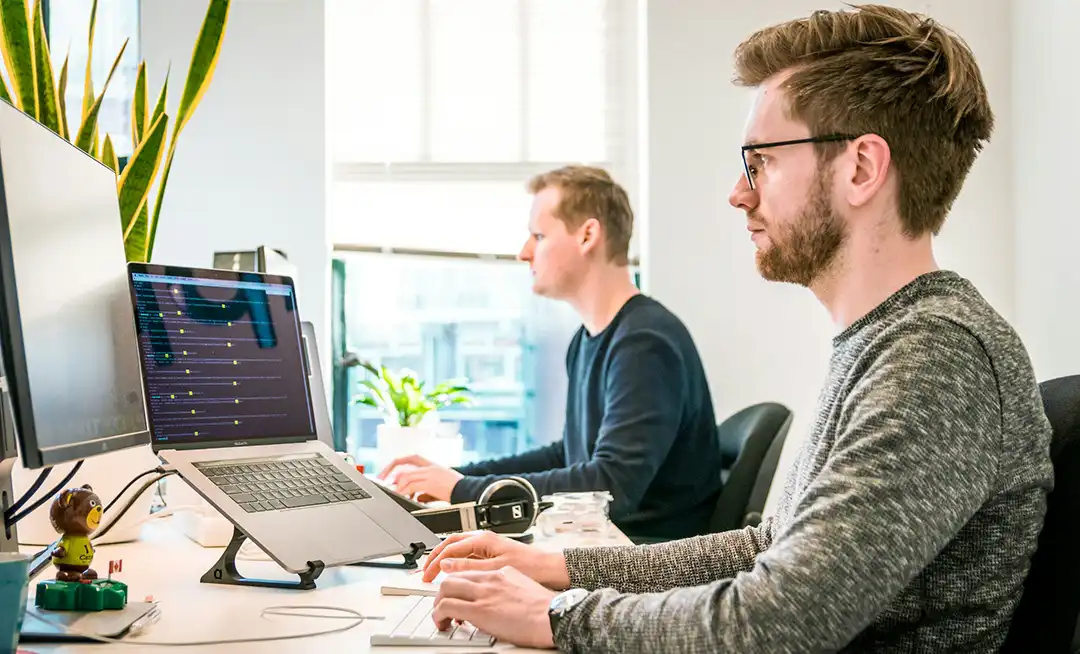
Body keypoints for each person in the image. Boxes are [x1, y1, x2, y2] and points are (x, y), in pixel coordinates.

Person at [414, 5, 1055, 652]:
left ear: (861, 168)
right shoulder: (888, 343)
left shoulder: (936, 357)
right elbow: (768, 547)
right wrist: (554, 568)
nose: (738, 193)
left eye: (762, 162)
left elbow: (778, 620)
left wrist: (557, 617)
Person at [378, 165, 724, 541]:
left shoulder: (644, 343)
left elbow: (611, 488)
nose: (523, 253)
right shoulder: (590, 339)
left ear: (588, 235)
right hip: (604, 543)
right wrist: (459, 477)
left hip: (643, 560)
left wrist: (463, 491)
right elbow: (569, 456)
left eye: (538, 235)